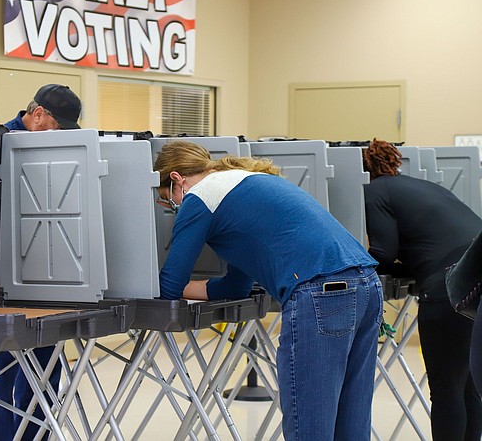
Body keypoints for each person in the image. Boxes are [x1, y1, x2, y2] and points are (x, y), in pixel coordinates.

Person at [153, 141, 382, 441]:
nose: (171, 207)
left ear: (176, 179)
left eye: (166, 200)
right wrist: (185, 286)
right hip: (366, 285)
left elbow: (169, 287)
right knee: (351, 427)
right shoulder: (244, 181)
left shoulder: (199, 196)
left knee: (310, 428)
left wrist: (158, 283)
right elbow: (237, 285)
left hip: (320, 293)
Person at [0, 83, 81, 440]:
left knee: (44, 366)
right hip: (1, 278)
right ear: (37, 115)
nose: (61, 136)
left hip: (47, 276)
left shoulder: (54, 147)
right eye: (58, 126)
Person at [362, 138, 482, 441]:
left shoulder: (375, 190)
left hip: (446, 288)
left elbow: (382, 252)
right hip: (474, 280)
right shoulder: (422, 186)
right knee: (467, 385)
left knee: (445, 390)